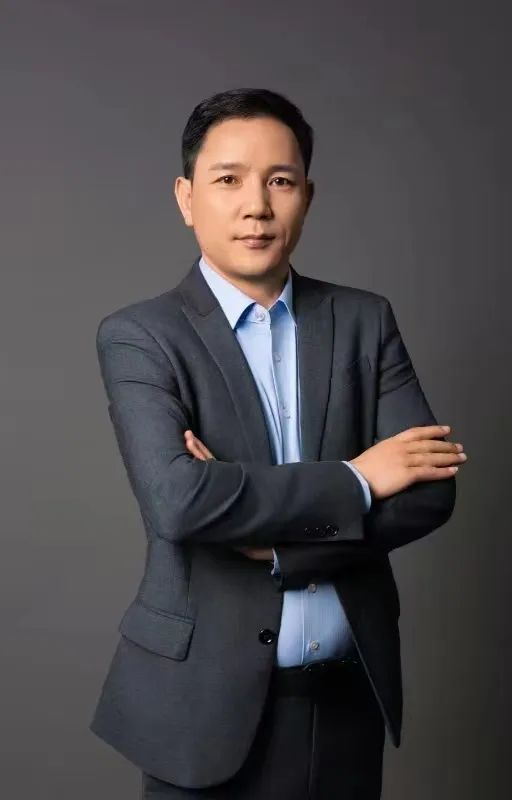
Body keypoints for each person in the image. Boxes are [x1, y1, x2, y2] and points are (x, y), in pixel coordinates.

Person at [89, 87, 465, 799]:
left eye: (280, 181)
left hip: (346, 700)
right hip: (199, 709)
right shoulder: (140, 336)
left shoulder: (364, 320)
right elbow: (179, 501)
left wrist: (276, 547)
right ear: (186, 198)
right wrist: (359, 479)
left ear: (306, 197)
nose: (256, 206)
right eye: (228, 180)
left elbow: (429, 493)